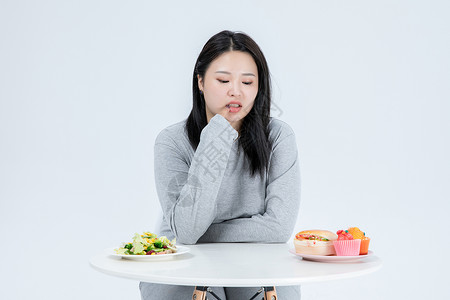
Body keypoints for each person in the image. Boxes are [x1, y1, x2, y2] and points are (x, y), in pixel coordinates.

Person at [140, 30, 301, 299]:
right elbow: (188, 232)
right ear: (200, 81)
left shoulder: (279, 137)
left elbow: (279, 228)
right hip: (185, 259)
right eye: (223, 80)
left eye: (247, 82)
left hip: (255, 258)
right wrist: (217, 135)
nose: (235, 91)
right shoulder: (171, 142)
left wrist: (200, 232)